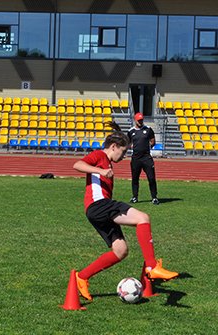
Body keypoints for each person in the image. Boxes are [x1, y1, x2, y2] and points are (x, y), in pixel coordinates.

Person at [72, 123, 178, 302]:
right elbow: (77, 164)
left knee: (121, 251)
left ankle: (82, 277)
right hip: (99, 205)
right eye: (123, 151)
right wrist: (100, 170)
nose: (124, 156)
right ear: (113, 147)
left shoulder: (108, 161)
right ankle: (152, 267)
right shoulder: (99, 155)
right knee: (143, 218)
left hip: (95, 210)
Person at [127, 112, 159, 205]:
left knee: (151, 178)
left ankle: (154, 197)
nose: (140, 122)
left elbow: (153, 140)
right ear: (135, 120)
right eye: (139, 120)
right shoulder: (131, 131)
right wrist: (130, 146)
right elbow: (128, 143)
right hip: (136, 158)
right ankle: (135, 197)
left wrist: (149, 145)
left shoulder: (148, 129)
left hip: (146, 158)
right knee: (135, 178)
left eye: (141, 120)